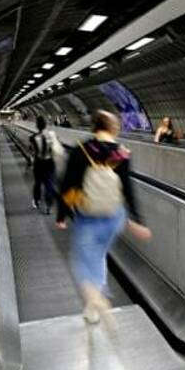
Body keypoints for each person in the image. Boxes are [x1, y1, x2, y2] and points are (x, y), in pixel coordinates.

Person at [56, 110, 151, 325]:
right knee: (98, 257)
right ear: (112, 128)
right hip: (114, 217)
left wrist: (62, 214)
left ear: (94, 127)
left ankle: (95, 299)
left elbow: (68, 185)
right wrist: (137, 220)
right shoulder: (121, 153)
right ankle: (93, 307)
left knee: (81, 261)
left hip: (88, 216)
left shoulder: (81, 150)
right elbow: (127, 189)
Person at [29, 116, 57, 215]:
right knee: (49, 184)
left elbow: (32, 152)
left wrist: (31, 163)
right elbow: (56, 150)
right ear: (45, 125)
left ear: (37, 126)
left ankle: (37, 200)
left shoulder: (32, 138)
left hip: (38, 163)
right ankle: (48, 205)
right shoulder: (52, 136)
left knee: (38, 183)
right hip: (49, 163)